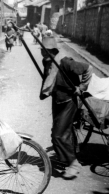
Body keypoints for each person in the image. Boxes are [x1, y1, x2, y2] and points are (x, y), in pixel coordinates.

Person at [40, 34, 93, 179]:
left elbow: (88, 68)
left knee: (59, 134)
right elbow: (48, 80)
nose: (44, 54)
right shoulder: (47, 62)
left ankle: (73, 164)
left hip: (69, 101)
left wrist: (81, 87)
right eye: (43, 51)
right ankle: (65, 159)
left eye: (47, 51)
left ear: (54, 51)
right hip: (57, 100)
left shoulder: (65, 62)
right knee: (59, 132)